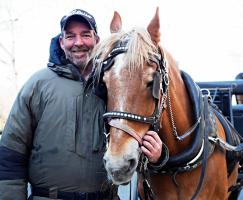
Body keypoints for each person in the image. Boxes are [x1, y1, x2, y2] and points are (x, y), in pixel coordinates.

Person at [0, 9, 168, 200]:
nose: (78, 42)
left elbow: (130, 140)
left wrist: (158, 157)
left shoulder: (113, 86)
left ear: (97, 40)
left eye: (85, 35)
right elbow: (11, 154)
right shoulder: (37, 85)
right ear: (61, 42)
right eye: (70, 36)